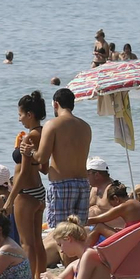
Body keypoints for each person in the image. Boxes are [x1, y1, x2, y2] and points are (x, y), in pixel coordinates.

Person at [8, 91, 49, 279]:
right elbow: (44, 168)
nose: (19, 119)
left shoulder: (29, 138)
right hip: (39, 191)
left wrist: (10, 199)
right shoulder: (43, 134)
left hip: (25, 193)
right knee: (37, 241)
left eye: (20, 115)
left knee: (26, 243)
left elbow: (23, 173)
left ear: (29, 114)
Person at [37, 87, 92, 230]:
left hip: (61, 185)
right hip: (83, 184)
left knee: (58, 232)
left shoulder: (52, 124)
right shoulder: (85, 126)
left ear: (56, 104)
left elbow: (41, 157)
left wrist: (30, 151)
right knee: (78, 232)